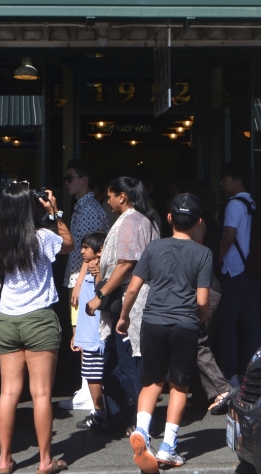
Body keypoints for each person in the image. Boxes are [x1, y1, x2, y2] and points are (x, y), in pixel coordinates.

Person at [117, 193, 212, 472]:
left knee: (151, 382)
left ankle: (143, 433)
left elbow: (133, 288)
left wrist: (124, 317)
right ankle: (169, 447)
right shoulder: (202, 253)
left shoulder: (153, 248)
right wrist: (201, 317)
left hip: (153, 322)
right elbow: (203, 300)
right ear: (198, 222)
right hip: (184, 323)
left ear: (169, 218)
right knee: (179, 386)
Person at [0, 183, 73, 474]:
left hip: (8, 319)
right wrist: (54, 211)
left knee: (8, 393)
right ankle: (44, 461)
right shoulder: (42, 237)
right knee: (41, 393)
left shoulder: (1, 239)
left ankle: (4, 461)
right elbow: (69, 244)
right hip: (39, 319)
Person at [85, 177, 160, 433]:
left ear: (122, 197)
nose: (107, 201)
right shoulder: (146, 220)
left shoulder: (131, 221)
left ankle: (138, 423)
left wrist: (100, 296)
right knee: (118, 365)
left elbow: (126, 263)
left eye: (110, 196)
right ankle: (121, 418)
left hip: (131, 301)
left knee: (128, 366)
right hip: (133, 299)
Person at [60, 159, 109, 412]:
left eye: (71, 178)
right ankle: (86, 390)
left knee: (84, 336)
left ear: (84, 180)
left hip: (85, 279)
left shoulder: (89, 209)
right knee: (81, 335)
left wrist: (79, 283)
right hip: (81, 277)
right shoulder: (82, 206)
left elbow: (89, 253)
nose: (67, 182)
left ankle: (90, 394)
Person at [187, 181, 231, 414]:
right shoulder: (213, 222)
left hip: (206, 287)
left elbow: (196, 253)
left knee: (197, 341)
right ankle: (200, 392)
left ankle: (221, 388)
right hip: (214, 284)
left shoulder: (200, 222)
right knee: (200, 339)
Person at [218, 163, 261, 386]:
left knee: (228, 324)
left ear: (238, 181)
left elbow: (229, 235)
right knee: (251, 324)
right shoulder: (252, 202)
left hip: (235, 270)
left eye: (226, 178)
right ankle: (253, 371)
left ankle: (230, 374)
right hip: (252, 270)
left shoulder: (234, 204)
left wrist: (218, 256)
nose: (222, 183)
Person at [71, 232, 107, 430]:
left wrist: (98, 272)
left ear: (100, 251)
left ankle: (101, 413)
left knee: (98, 374)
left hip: (98, 335)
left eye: (86, 247)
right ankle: (99, 411)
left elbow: (100, 292)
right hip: (88, 333)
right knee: (92, 374)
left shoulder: (102, 271)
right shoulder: (86, 270)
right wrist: (76, 332)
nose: (82, 251)